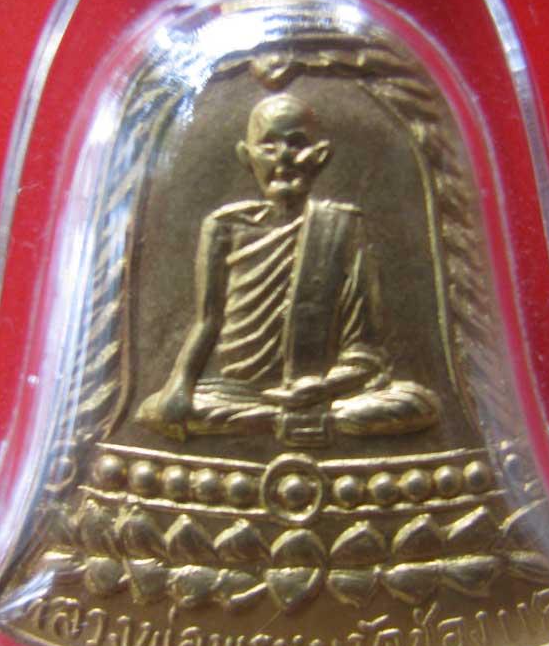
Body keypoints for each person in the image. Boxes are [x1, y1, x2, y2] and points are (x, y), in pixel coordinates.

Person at [136, 93, 440, 446]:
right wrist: (179, 386)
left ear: (320, 156)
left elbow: (365, 352)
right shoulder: (224, 226)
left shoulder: (342, 226)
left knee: (418, 403)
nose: (283, 157)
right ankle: (294, 421)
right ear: (246, 156)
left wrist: (322, 386)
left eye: (297, 144)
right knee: (154, 410)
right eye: (268, 146)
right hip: (236, 395)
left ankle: (289, 419)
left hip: (324, 392)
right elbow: (207, 321)